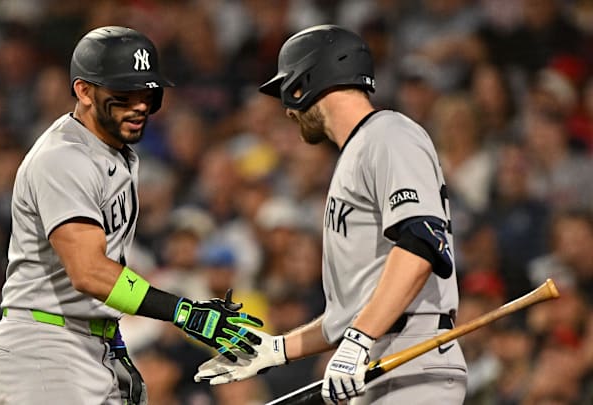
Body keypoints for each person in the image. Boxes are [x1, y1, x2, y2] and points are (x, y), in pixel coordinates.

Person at [0, 26, 263, 405]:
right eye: (124, 94)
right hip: (45, 347)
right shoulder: (63, 158)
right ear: (84, 91)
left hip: (90, 342)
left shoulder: (113, 153)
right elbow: (89, 271)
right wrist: (181, 311)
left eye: (148, 93)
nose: (140, 105)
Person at [195, 24, 467, 404]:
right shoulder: (356, 152)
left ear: (305, 82)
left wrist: (359, 338)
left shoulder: (388, 133)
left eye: (286, 89)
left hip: (410, 358)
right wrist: (278, 349)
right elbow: (351, 311)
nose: (288, 110)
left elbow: (422, 243)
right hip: (372, 363)